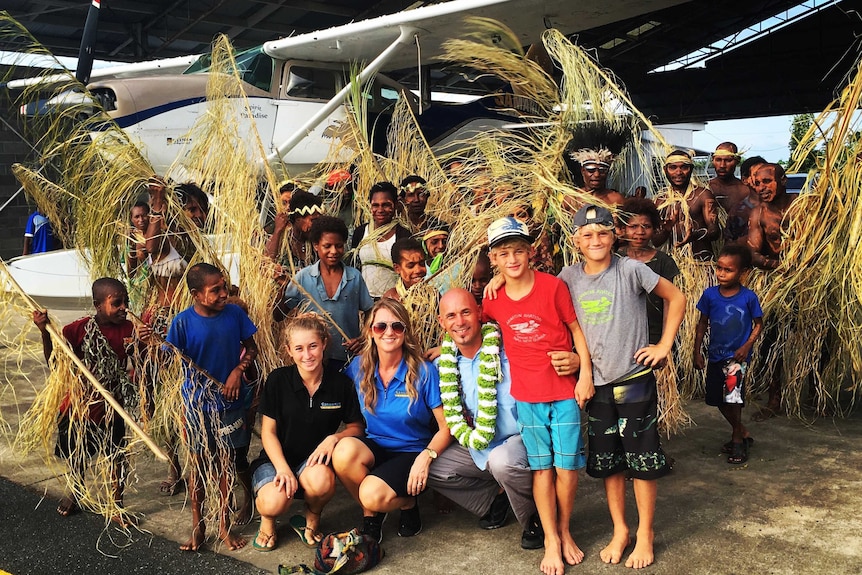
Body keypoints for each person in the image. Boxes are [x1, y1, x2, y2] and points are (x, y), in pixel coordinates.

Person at [557, 205, 686, 570]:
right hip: (596, 385)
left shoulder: (631, 269)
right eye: (587, 235)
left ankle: (645, 532)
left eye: (602, 233)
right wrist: (500, 279)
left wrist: (663, 346)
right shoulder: (567, 277)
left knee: (642, 460)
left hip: (633, 381)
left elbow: (676, 298)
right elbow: (536, 289)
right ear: (575, 241)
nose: (595, 240)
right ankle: (621, 529)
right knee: (609, 462)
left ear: (615, 235)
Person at [481, 216, 593, 575]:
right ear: (493, 259)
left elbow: (577, 330)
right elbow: (470, 328)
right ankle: (549, 539)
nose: (512, 259)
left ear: (530, 252)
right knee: (541, 469)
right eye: (503, 254)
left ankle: (563, 529)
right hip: (527, 397)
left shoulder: (553, 287)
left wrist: (584, 373)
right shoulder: (493, 298)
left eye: (518, 251)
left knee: (567, 468)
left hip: (563, 391)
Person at [430, 288, 565, 550]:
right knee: (434, 469)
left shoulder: (507, 349)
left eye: (466, 312)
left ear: (479, 313)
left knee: (502, 462)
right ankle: (498, 497)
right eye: (451, 316)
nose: (459, 322)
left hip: (520, 440)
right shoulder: (442, 364)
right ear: (442, 322)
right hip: (478, 445)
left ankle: (533, 518)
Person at [331, 299, 451, 543]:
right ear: (370, 332)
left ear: (405, 332)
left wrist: (426, 457)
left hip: (411, 451)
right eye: (380, 327)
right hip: (374, 445)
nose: (389, 332)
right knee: (342, 453)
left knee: (371, 493)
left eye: (397, 326)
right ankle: (371, 516)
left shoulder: (423, 371)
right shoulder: (358, 367)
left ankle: (407, 503)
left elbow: (446, 427)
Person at [162, 263, 259, 551]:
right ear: (196, 294)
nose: (223, 294)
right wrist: (154, 348)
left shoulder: (235, 314)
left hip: (229, 404)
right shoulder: (181, 323)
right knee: (199, 466)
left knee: (226, 464)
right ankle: (198, 526)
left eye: (224, 287)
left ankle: (224, 526)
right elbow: (167, 360)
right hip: (196, 406)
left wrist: (237, 371)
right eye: (215, 290)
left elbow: (252, 348)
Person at [249, 313, 365, 551]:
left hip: (312, 463)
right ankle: (268, 522)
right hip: (275, 461)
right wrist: (282, 469)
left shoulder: (340, 384)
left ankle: (311, 517)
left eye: (313, 346)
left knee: (323, 481)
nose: (307, 354)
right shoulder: (278, 380)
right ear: (289, 350)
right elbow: (268, 432)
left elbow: (357, 427)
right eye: (299, 348)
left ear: (324, 344)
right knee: (274, 502)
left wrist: (334, 438)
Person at [32, 278, 135, 526]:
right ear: (98, 305)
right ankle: (76, 491)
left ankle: (116, 503)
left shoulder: (130, 329)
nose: (124, 307)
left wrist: (144, 347)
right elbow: (56, 363)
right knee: (77, 455)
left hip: (113, 406)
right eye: (117, 303)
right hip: (79, 407)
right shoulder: (77, 330)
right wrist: (44, 333)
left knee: (116, 455)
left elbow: (138, 363)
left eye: (126, 302)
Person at [275, 215, 373, 372]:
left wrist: (363, 338)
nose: (333, 251)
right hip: (313, 360)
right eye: (327, 246)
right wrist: (283, 286)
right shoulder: (303, 278)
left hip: (348, 358)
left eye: (339, 246)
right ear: (316, 246)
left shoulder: (354, 277)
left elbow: (370, 311)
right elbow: (279, 315)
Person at [693, 245, 763, 464]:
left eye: (728, 270)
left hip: (736, 359)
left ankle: (737, 441)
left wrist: (747, 346)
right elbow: (702, 324)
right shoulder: (710, 295)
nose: (721, 274)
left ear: (742, 272)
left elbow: (758, 324)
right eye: (719, 268)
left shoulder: (748, 298)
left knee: (732, 398)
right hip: (715, 355)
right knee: (717, 399)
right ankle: (741, 430)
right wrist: (697, 352)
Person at [747, 163, 794, 421]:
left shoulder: (804, 205)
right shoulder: (758, 214)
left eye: (767, 181)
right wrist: (778, 266)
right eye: (757, 184)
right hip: (776, 281)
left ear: (783, 180)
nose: (761, 188)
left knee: (819, 337)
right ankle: (774, 397)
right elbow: (753, 252)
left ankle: (813, 393)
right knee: (772, 338)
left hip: (810, 281)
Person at [617, 197, 680, 345]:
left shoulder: (664, 262)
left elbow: (669, 303)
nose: (640, 232)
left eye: (646, 226)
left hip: (655, 337)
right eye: (633, 227)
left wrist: (664, 342)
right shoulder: (615, 260)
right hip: (624, 338)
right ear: (623, 229)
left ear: (654, 229)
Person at [653, 149, 720, 260]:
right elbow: (656, 242)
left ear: (691, 169)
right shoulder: (660, 201)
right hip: (673, 264)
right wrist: (667, 229)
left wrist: (696, 235)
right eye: (673, 167)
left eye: (684, 167)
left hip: (701, 264)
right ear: (665, 170)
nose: (678, 172)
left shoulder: (703, 195)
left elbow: (715, 232)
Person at [350, 182, 412, 298]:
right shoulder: (360, 232)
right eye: (375, 205)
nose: (380, 210)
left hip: (394, 300)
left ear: (395, 205)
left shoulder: (403, 234)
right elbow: (354, 267)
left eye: (386, 205)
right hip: (364, 300)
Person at [709, 143, 759, 245]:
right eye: (718, 160)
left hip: (740, 246)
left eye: (728, 160)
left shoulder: (746, 191)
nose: (722, 165)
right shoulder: (704, 189)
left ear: (737, 161)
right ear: (713, 160)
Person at [266, 189, 324, 275]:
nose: (317, 225)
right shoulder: (282, 240)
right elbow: (266, 264)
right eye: (313, 220)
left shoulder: (319, 241)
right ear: (298, 219)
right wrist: (277, 231)